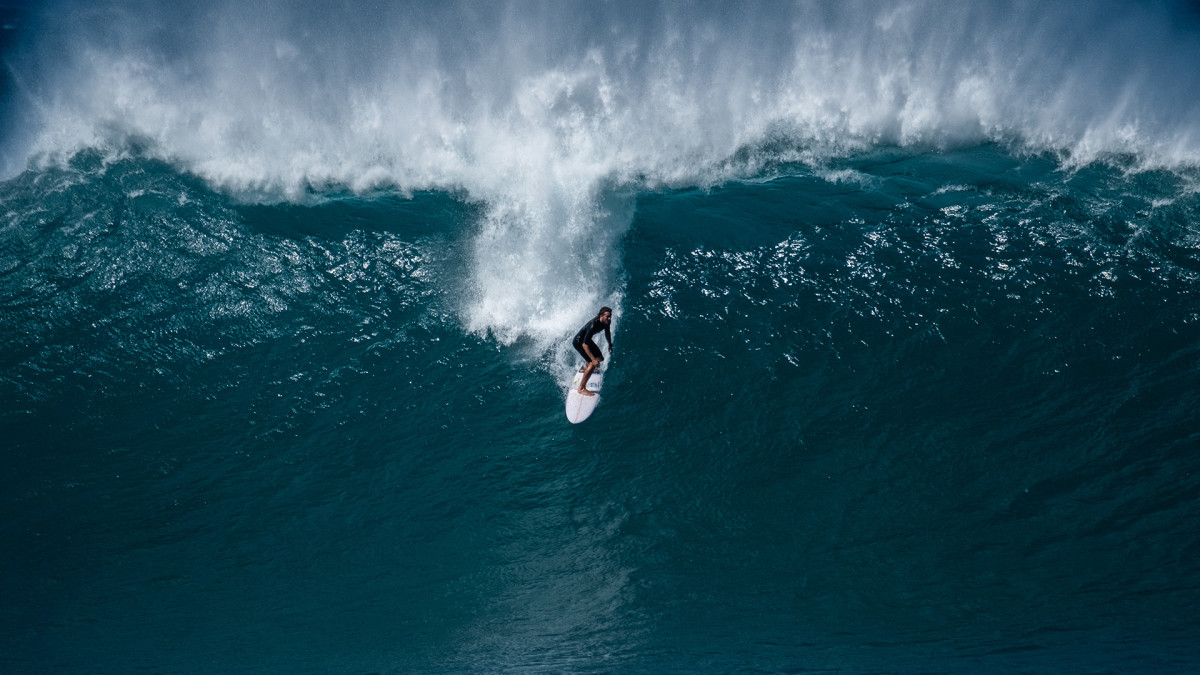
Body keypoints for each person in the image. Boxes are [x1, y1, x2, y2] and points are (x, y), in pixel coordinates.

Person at [572, 306, 613, 396]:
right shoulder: (593, 325)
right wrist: (593, 360)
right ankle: (581, 388)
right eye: (607, 316)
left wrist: (610, 344)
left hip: (587, 341)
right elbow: (584, 344)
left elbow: (607, 333)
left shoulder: (607, 322)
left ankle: (588, 365)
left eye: (610, 316)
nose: (609, 318)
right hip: (579, 342)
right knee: (592, 363)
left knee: (600, 358)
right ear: (601, 316)